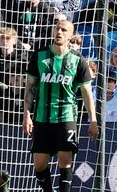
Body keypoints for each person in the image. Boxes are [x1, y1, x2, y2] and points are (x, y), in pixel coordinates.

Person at [22, 20, 99, 192]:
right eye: (57, 28)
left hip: (66, 116)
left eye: (64, 30)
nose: (59, 32)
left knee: (65, 160)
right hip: (41, 117)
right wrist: (26, 114)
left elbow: (87, 93)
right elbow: (30, 87)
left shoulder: (78, 60)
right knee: (40, 165)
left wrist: (93, 120)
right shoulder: (39, 56)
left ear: (71, 36)